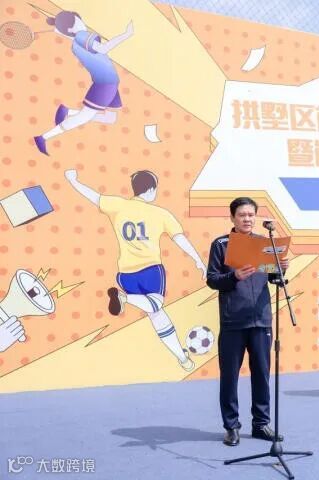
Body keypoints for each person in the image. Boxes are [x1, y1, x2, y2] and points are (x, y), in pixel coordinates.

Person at [65, 169, 205, 371]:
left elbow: (93, 196)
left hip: (125, 274)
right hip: (150, 269)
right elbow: (179, 238)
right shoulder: (160, 213)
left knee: (155, 313)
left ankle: (182, 359)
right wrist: (198, 260)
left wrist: (73, 180)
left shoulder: (117, 205)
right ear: (151, 190)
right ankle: (125, 298)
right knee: (156, 304)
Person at [206, 197, 289, 446]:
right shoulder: (221, 244)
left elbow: (273, 279)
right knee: (229, 376)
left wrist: (281, 268)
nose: (247, 219)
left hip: (261, 320)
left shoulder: (265, 243)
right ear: (232, 217)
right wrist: (234, 276)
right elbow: (212, 279)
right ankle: (231, 426)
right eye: (242, 215)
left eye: (251, 215)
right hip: (233, 320)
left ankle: (261, 424)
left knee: (262, 374)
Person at [34, 11, 133, 155]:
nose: (82, 21)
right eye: (78, 20)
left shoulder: (76, 42)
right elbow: (103, 49)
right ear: (71, 27)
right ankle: (43, 137)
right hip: (105, 85)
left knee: (110, 118)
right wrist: (126, 34)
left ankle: (68, 112)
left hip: (110, 83)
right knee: (83, 118)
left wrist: (61, 31)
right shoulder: (82, 36)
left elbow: (76, 37)